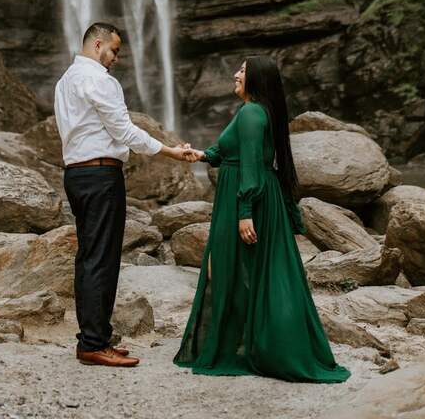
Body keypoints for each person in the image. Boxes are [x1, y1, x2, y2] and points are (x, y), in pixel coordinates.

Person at [175, 55, 350, 383]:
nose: (236, 74)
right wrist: (201, 155)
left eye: (242, 70)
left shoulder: (252, 113)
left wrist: (244, 213)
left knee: (238, 269)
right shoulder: (250, 111)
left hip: (247, 199)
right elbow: (233, 151)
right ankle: (247, 340)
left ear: (256, 78)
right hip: (249, 196)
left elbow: (253, 163)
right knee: (246, 269)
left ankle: (260, 346)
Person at [54, 21, 192, 369]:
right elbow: (124, 130)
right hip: (101, 175)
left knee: (89, 255)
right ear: (97, 44)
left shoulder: (65, 81)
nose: (116, 58)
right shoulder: (100, 80)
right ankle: (94, 344)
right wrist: (169, 151)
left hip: (75, 174)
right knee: (103, 257)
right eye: (114, 50)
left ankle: (92, 337)